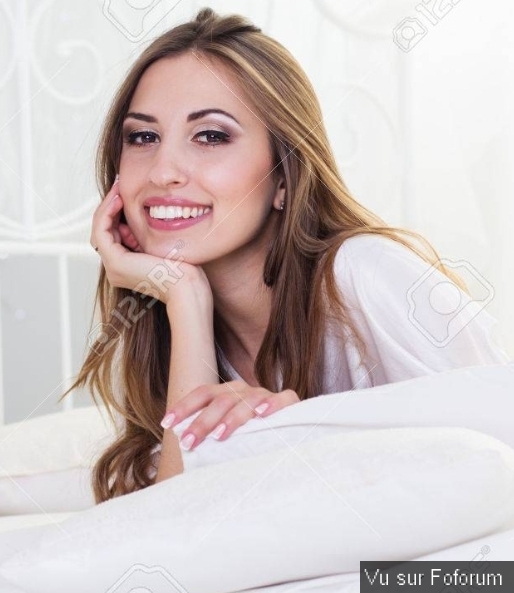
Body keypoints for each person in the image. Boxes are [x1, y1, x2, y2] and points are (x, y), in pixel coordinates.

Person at [66, 7, 509, 503]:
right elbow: (172, 525)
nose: (163, 171)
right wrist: (184, 297)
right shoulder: (174, 332)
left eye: (211, 136)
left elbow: (496, 451)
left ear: (283, 175)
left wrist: (307, 437)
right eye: (143, 137)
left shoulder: (368, 275)